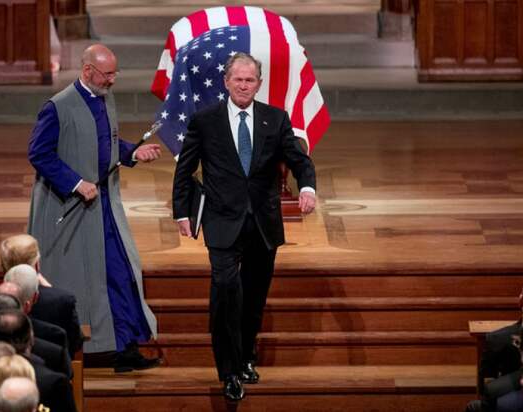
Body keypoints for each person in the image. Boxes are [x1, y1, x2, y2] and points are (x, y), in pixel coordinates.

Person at [172, 52, 316, 401]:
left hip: (263, 224)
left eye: (250, 80)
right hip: (221, 221)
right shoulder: (205, 121)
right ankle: (229, 372)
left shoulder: (275, 118)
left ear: (259, 84)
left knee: (253, 297)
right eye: (237, 79)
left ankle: (246, 354)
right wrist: (181, 213)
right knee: (225, 290)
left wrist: (307, 188)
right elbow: (184, 170)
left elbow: (299, 161)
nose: (243, 85)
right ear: (226, 82)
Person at [27, 43, 161, 371]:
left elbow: (106, 143)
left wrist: (132, 152)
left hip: (104, 206)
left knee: (120, 272)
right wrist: (76, 182)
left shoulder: (104, 97)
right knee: (84, 280)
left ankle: (125, 348)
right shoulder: (58, 106)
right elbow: (39, 153)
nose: (112, 80)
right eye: (107, 74)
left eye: (115, 73)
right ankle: (68, 353)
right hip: (72, 209)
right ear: (88, 71)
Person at [0, 234, 83, 358]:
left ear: (3, 266)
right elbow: (75, 343)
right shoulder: (63, 300)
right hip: (50, 367)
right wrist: (50, 288)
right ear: (37, 265)